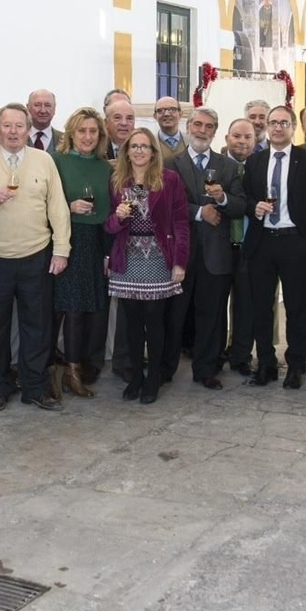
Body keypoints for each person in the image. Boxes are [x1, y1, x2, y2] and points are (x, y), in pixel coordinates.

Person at [0, 102, 71, 412]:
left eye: (19, 125)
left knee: (37, 326)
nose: (13, 131)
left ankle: (35, 387)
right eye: (7, 125)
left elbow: (58, 207)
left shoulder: (44, 161)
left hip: (36, 256)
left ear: (28, 129)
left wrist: (61, 250)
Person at [105, 129, 189, 403]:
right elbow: (109, 226)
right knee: (131, 322)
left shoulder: (169, 180)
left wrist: (180, 261)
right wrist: (118, 218)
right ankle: (136, 378)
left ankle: (153, 377)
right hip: (127, 258)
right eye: (134, 146)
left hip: (157, 256)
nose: (139, 151)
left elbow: (180, 223)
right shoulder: (118, 181)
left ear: (154, 152)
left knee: (154, 320)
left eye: (145, 146)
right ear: (126, 151)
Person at [242, 104, 306, 389]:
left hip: (295, 242)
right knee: (261, 307)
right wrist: (256, 207)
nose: (277, 127)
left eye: (284, 123)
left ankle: (296, 363)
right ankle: (265, 362)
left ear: (293, 128)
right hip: (263, 242)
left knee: (297, 307)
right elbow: (247, 197)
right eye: (273, 122)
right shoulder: (255, 161)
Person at [165, 107, 245, 389]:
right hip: (180, 254)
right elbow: (165, 205)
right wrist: (200, 212)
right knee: (175, 314)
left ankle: (206, 369)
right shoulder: (171, 164)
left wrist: (222, 199)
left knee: (211, 315)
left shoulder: (228, 166)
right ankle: (166, 368)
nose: (202, 130)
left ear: (214, 131)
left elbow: (240, 206)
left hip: (215, 254)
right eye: (197, 124)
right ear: (189, 126)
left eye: (208, 126)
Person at [51, 107, 112, 398]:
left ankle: (86, 365)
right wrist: (69, 206)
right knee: (72, 308)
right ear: (70, 134)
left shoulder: (106, 167)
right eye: (81, 131)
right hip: (69, 240)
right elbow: (45, 201)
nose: (87, 137)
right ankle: (70, 372)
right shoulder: (56, 162)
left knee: (93, 309)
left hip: (97, 240)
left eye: (93, 131)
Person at [222, 117, 260, 377]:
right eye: (237, 136)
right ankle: (214, 352)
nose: (242, 141)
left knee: (246, 304)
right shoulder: (218, 166)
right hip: (221, 245)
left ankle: (241, 355)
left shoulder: (260, 167)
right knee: (215, 304)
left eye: (247, 137)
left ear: (255, 142)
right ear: (227, 139)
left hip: (250, 246)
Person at [104, 97, 137, 161]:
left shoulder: (143, 147)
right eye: (117, 118)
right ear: (106, 123)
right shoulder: (97, 148)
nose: (124, 123)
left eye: (129, 118)